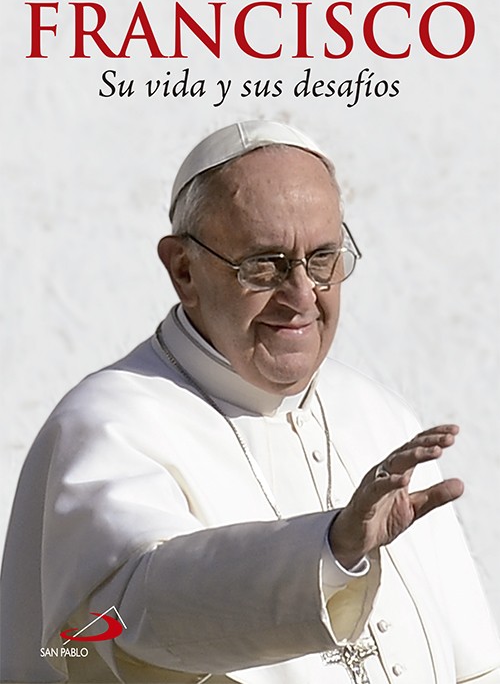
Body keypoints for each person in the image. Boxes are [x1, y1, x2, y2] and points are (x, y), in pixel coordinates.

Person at [1, 120, 499, 684]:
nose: (302, 295)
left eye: (323, 258)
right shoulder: (107, 424)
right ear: (184, 271)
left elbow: (473, 663)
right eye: (265, 264)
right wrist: (327, 553)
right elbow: (111, 627)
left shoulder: (379, 415)